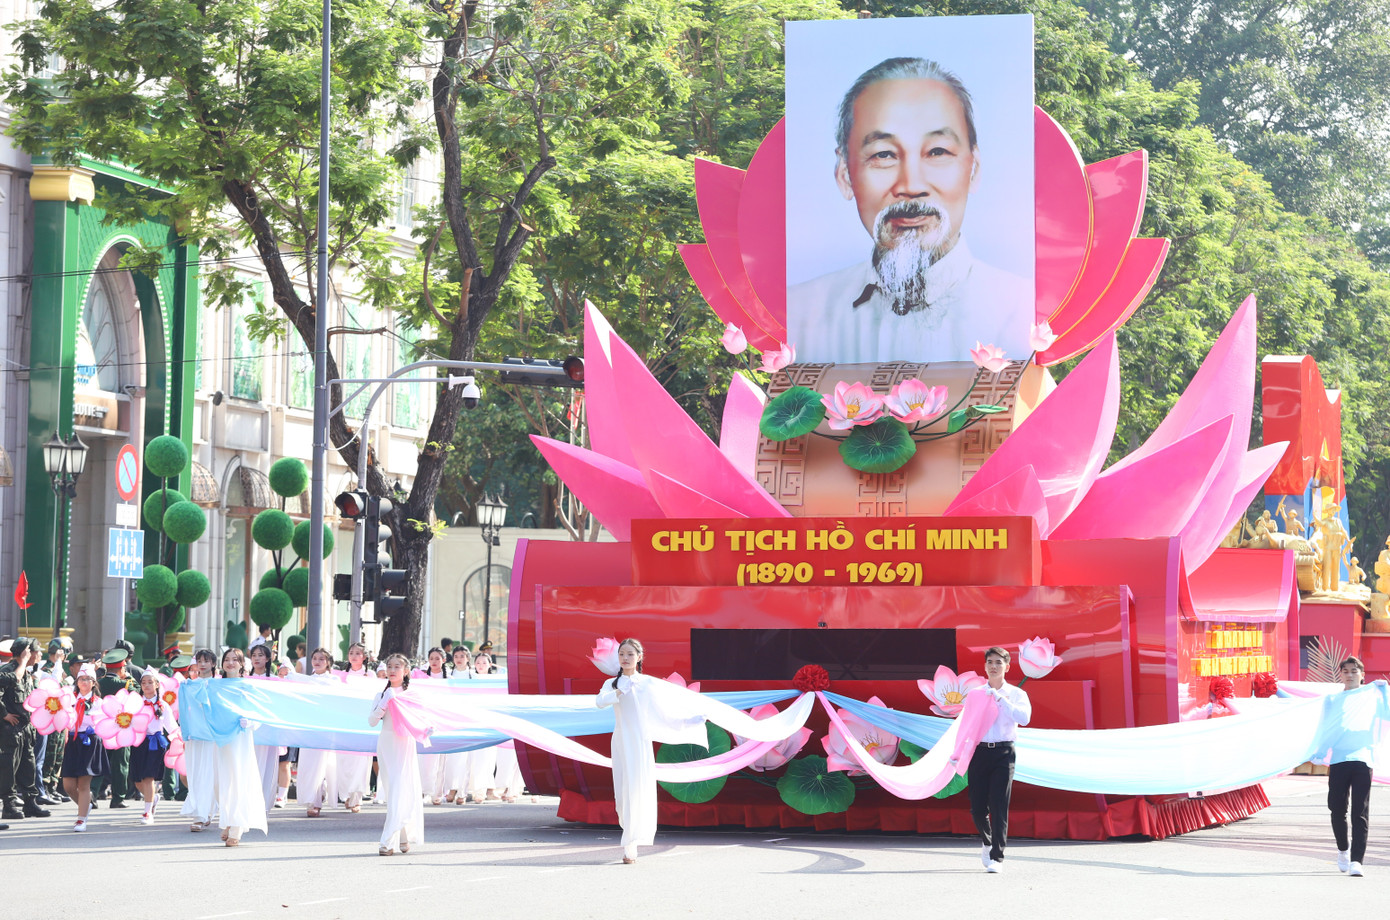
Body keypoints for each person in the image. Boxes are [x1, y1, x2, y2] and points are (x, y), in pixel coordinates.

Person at [786, 56, 1031, 365]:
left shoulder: (1023, 313)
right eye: (884, 155)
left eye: (938, 151)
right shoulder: (799, 315)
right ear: (845, 174)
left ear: (974, 169)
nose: (911, 185)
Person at [595, 637, 708, 864]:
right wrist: (618, 692)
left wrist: (690, 720)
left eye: (630, 654)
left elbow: (665, 710)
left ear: (639, 657)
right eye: (621, 654)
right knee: (622, 791)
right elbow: (599, 702)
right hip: (620, 741)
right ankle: (628, 835)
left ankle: (631, 846)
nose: (625, 658)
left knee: (638, 789)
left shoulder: (648, 683)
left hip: (640, 742)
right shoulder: (612, 683)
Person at [967, 646, 1031, 873]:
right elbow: (967, 724)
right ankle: (987, 841)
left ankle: (997, 857)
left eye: (998, 663)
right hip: (980, 752)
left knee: (999, 805)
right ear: (985, 666)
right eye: (990, 662)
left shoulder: (1016, 694)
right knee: (977, 808)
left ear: (1007, 667)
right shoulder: (975, 693)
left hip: (1004, 752)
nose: (993, 666)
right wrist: (958, 753)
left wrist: (1001, 699)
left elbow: (1024, 718)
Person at [1327, 656, 1389, 877]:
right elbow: (1323, 727)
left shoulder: (1373, 698)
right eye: (1346, 671)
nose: (1350, 674)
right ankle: (1343, 849)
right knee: (1337, 809)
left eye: (1355, 671)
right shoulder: (1333, 700)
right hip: (1339, 759)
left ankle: (1357, 861)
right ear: (1340, 675)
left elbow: (1388, 714)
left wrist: (1385, 692)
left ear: (1363, 675)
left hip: (1363, 759)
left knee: (1359, 812)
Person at [214, 647, 268, 846]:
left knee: (238, 780)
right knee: (220, 783)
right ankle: (228, 819)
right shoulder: (215, 686)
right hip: (220, 740)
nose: (230, 663)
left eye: (234, 660)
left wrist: (250, 722)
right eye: (226, 659)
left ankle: (236, 826)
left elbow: (259, 712)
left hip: (240, 740)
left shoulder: (248, 686)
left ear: (241, 664)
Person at [369, 653, 422, 856]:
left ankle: (386, 842)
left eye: (397, 666)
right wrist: (384, 704)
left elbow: (419, 720)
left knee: (401, 789)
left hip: (404, 744)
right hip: (386, 744)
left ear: (406, 671)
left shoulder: (412, 695)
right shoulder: (381, 694)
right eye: (389, 666)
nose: (392, 670)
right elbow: (372, 721)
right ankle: (403, 835)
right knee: (393, 792)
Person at [0, 638, 51, 820]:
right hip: (10, 730)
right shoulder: (7, 671)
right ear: (25, 653)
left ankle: (30, 803)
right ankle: (9, 805)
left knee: (27, 767)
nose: (39, 655)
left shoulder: (28, 674)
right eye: (36, 651)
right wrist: (3, 714)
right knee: (8, 769)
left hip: (26, 729)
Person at [292, 648, 340, 817]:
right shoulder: (307, 680)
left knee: (323, 764)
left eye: (322, 658)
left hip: (326, 727)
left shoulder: (334, 680)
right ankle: (312, 798)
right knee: (308, 765)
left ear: (328, 662)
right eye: (315, 658)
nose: (317, 661)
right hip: (309, 726)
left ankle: (317, 800)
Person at [61, 663, 109, 832]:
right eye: (81, 679)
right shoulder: (70, 700)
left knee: (83, 783)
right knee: (68, 784)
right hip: (73, 742)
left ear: (94, 683)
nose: (84, 682)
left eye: (88, 679)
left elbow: (104, 721)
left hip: (89, 742)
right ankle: (86, 805)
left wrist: (94, 725)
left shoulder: (99, 702)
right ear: (77, 681)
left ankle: (81, 819)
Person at [180, 649, 219, 833]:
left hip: (213, 736)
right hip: (195, 735)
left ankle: (205, 813)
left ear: (213, 663)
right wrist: (185, 733)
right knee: (196, 775)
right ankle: (201, 813)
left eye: (206, 661)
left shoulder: (220, 684)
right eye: (199, 661)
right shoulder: (188, 686)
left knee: (210, 774)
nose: (202, 664)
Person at [96, 646, 138, 808]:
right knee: (120, 763)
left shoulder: (98, 683)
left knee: (99, 761)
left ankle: (94, 791)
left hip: (102, 728)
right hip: (122, 728)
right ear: (122, 668)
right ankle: (118, 797)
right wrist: (129, 679)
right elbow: (137, 695)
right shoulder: (126, 684)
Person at [130, 669, 171, 826]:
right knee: (137, 780)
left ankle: (147, 812)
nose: (146, 685)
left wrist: (179, 739)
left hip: (155, 743)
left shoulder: (163, 704)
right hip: (139, 742)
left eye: (150, 682)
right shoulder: (135, 703)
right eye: (144, 682)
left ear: (157, 684)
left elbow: (171, 726)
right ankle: (152, 798)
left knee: (148, 777)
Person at [338, 643, 375, 812]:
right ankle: (346, 794)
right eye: (351, 652)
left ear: (364, 657)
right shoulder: (341, 676)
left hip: (362, 722)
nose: (354, 656)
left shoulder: (370, 675)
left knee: (361, 761)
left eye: (358, 653)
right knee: (344, 760)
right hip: (345, 721)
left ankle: (357, 797)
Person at [245, 644, 282, 811]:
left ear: (268, 659)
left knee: (267, 768)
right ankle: (248, 806)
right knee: (249, 766)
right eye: (254, 655)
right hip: (248, 729)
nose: (257, 658)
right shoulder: (244, 680)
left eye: (260, 655)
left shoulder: (275, 681)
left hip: (268, 730)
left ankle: (263, 807)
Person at [412, 647, 450, 805]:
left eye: (437, 658)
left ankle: (438, 792)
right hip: (425, 719)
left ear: (444, 660)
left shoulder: (450, 678)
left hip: (442, 719)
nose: (434, 661)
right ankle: (423, 790)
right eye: (432, 658)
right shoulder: (421, 677)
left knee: (441, 757)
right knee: (425, 756)